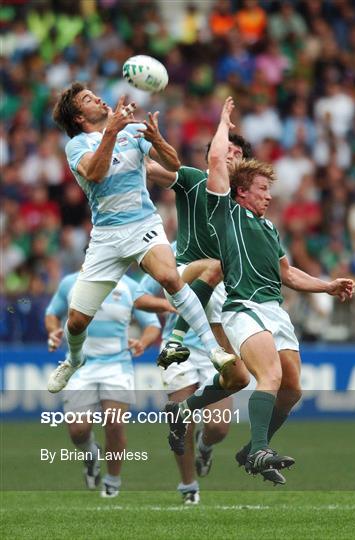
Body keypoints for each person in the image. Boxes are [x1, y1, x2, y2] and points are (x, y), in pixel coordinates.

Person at [164, 97, 355, 485]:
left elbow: (287, 272)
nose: (269, 195)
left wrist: (327, 286)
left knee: (292, 389)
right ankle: (259, 450)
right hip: (242, 307)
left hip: (273, 308)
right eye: (263, 188)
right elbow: (218, 163)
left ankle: (233, 436)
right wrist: (222, 123)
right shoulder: (226, 212)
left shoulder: (267, 228)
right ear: (242, 192)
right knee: (266, 376)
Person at [47, 82, 235, 393]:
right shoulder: (77, 145)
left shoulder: (131, 131)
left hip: (142, 224)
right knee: (77, 322)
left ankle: (214, 349)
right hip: (106, 237)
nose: (96, 97)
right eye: (87, 99)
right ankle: (74, 359)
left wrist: (156, 138)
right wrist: (111, 131)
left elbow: (173, 164)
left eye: (93, 93)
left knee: (169, 277)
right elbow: (95, 173)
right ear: (79, 117)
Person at [145, 133, 251, 395]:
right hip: (186, 273)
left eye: (238, 154)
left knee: (237, 382)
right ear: (211, 157)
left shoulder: (245, 205)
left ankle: (201, 426)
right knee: (213, 266)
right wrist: (130, 145)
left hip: (220, 295)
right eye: (226, 151)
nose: (231, 156)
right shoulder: (194, 180)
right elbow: (153, 170)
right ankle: (174, 341)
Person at [45, 272, 161, 498]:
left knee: (115, 424)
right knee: (78, 430)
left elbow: (152, 324)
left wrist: (143, 342)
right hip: (79, 366)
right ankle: (91, 452)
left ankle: (112, 481)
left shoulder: (130, 287)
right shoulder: (70, 282)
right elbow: (51, 313)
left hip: (117, 365)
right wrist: (53, 331)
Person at [134, 244, 232, 505]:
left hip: (217, 346)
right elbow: (138, 295)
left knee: (219, 427)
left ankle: (205, 446)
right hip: (179, 347)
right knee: (180, 421)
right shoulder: (169, 251)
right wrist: (170, 306)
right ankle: (188, 484)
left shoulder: (228, 246)